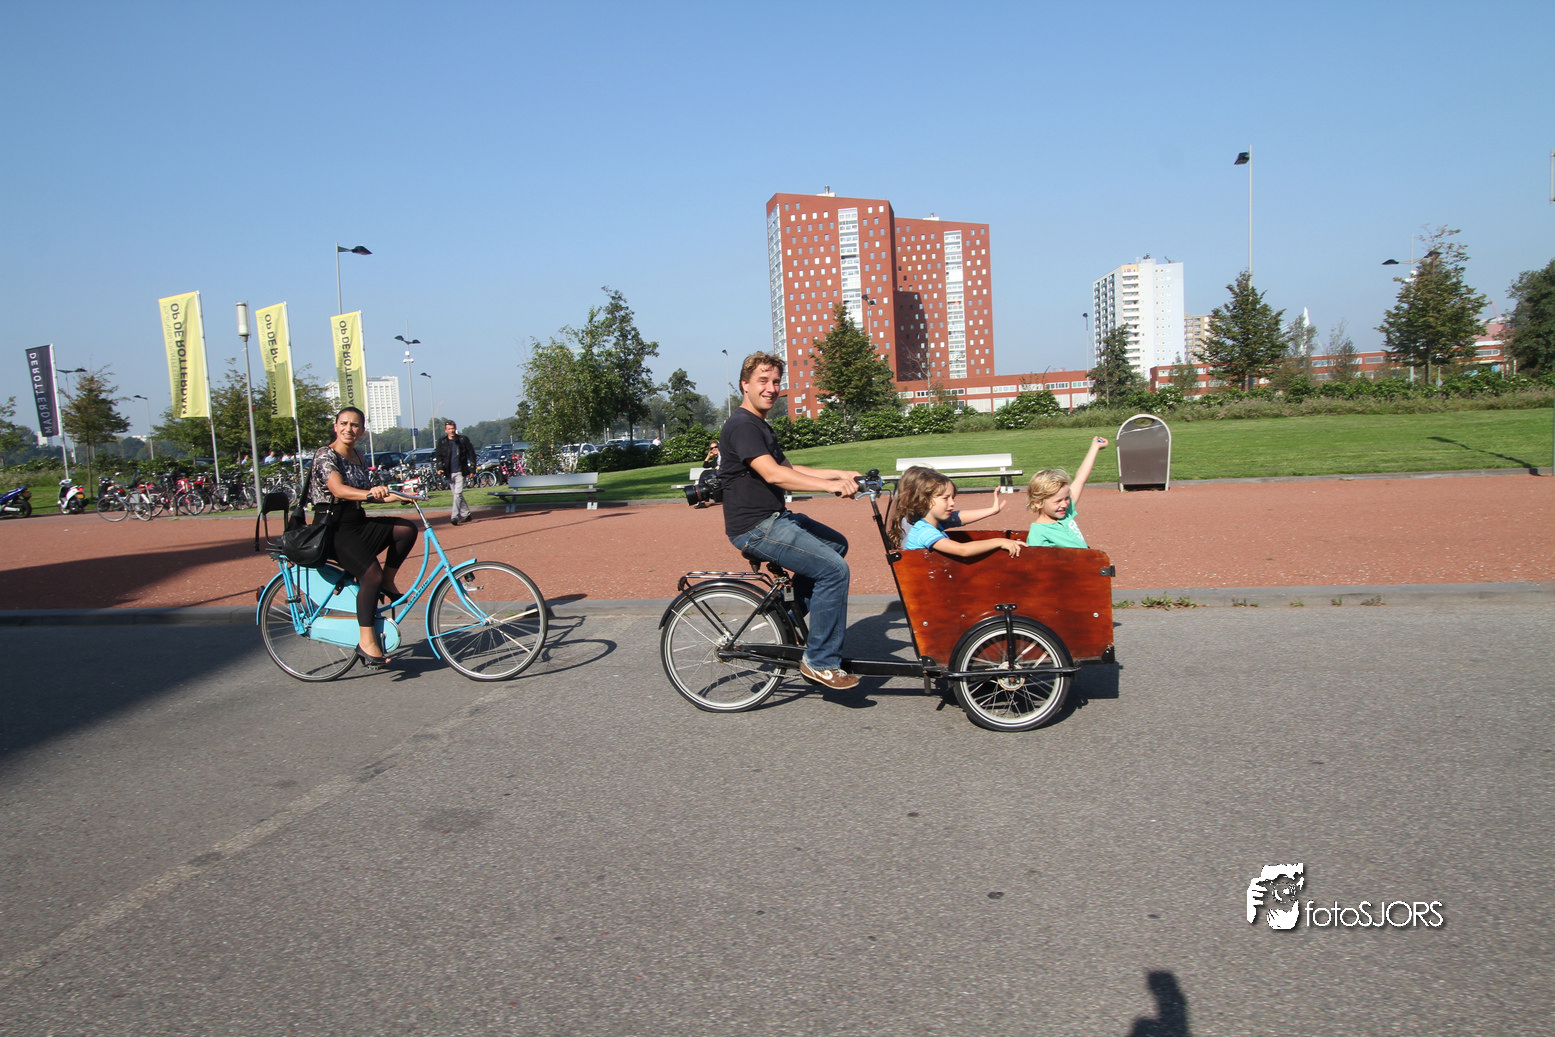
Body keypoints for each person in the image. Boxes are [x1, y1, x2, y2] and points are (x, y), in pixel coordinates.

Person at [719, 352, 863, 691]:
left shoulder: (759, 425)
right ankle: (820, 662)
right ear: (745, 385)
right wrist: (829, 487)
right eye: (763, 381)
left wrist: (841, 473)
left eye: (775, 382)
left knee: (836, 545)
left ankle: (787, 614)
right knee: (834, 570)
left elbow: (790, 469)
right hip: (755, 526)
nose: (771, 388)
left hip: (773, 518)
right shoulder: (742, 425)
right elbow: (774, 475)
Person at [307, 406, 419, 668]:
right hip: (333, 529)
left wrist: (403, 496)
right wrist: (370, 494)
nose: (349, 429)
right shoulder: (325, 455)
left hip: (357, 522)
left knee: (406, 529)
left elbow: (372, 493)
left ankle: (388, 582)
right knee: (371, 576)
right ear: (336, 426)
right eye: (344, 423)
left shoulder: (358, 455)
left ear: (362, 431)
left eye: (355, 425)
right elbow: (338, 489)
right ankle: (366, 642)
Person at [887, 466, 1024, 559]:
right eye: (946, 498)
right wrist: (998, 541)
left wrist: (992, 510)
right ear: (925, 500)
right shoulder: (924, 531)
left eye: (952, 497)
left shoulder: (931, 523)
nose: (952, 503)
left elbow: (958, 517)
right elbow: (962, 550)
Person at [1025, 435, 1109, 548]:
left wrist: (1095, 447)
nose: (1064, 504)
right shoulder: (1039, 532)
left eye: (1066, 498)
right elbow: (1035, 558)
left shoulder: (1065, 514)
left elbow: (1080, 479)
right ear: (1038, 503)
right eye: (1058, 501)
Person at [436, 419, 478, 525]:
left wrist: (472, 469)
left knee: (458, 494)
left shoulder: (463, 440)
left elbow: (471, 454)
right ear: (446, 430)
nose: (451, 431)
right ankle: (466, 513)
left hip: (460, 471)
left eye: (453, 428)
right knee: (456, 495)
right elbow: (439, 456)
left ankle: (454, 516)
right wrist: (440, 468)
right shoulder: (442, 442)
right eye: (449, 429)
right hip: (449, 472)